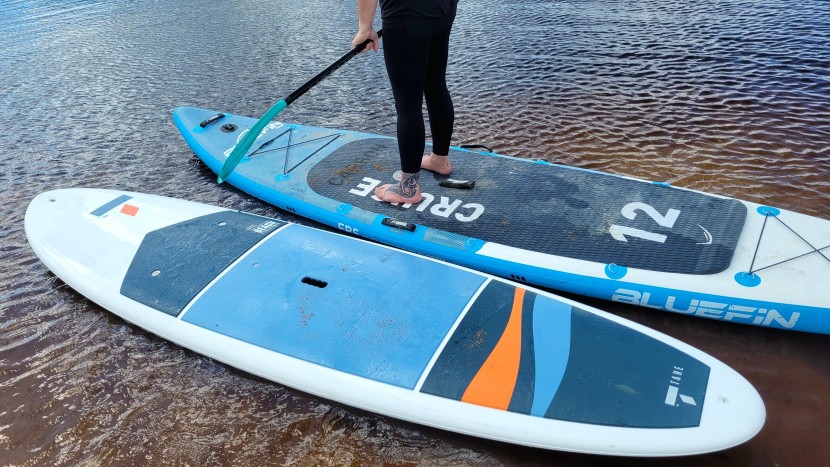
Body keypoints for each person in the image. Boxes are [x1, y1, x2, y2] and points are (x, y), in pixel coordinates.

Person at [352, 0, 458, 204]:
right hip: (443, 8)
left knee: (408, 103)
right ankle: (439, 160)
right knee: (435, 85)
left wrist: (365, 28)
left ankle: (408, 189)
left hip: (406, 13)